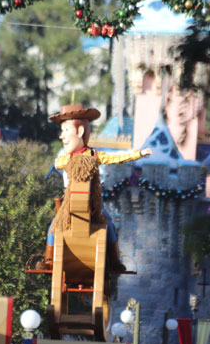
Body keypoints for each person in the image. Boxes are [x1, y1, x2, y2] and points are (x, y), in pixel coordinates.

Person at [36, 104, 152, 272]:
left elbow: (116, 158)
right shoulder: (65, 158)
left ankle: (114, 260)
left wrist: (138, 154)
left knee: (109, 224)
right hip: (68, 203)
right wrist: (72, 161)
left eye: (66, 130)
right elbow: (58, 163)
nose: (62, 136)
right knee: (54, 226)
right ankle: (49, 260)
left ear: (81, 132)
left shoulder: (94, 156)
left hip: (92, 203)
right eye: (62, 131)